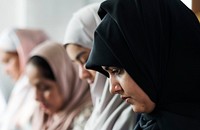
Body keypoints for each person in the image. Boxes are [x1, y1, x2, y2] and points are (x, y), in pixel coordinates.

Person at [85, 0, 200, 129]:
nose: (113, 88)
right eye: (108, 73)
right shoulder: (150, 123)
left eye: (117, 71)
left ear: (155, 58)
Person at [64, 3, 136, 130]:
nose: (82, 74)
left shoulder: (139, 113)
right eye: (77, 65)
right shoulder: (97, 112)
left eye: (86, 60)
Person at [26, 41, 92, 130]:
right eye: (32, 87)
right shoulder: (41, 116)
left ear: (67, 79)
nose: (36, 97)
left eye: (44, 87)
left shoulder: (88, 120)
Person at [0, 28, 49, 130]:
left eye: (8, 61)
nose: (6, 71)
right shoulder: (20, 89)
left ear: (24, 53)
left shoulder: (40, 92)